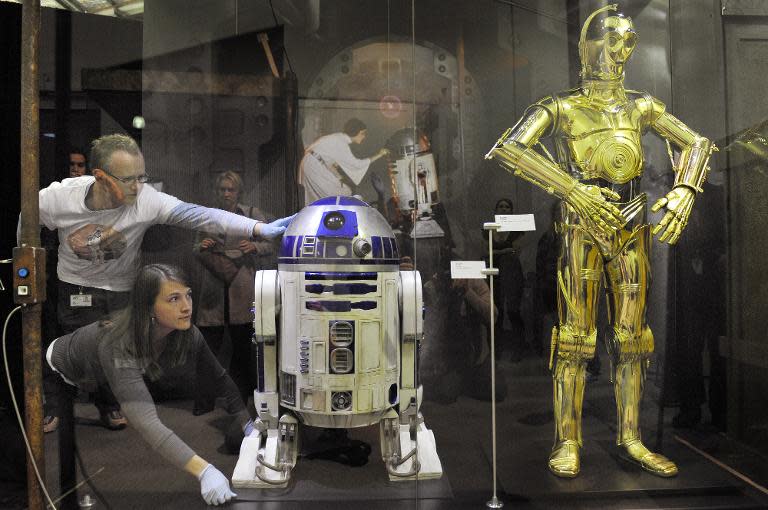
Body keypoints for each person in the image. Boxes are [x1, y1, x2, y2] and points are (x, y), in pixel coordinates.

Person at [486, 5, 715, 478]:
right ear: (587, 46)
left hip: (631, 224)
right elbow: (510, 146)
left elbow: (696, 143)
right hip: (580, 224)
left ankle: (631, 435)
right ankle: (567, 439)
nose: (620, 52)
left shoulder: (640, 105)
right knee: (573, 338)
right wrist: (572, 189)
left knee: (633, 339)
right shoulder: (562, 106)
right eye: (611, 40)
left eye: (628, 42)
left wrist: (684, 191)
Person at [34, 133, 292, 432]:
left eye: (141, 177)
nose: (137, 186)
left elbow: (200, 216)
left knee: (115, 354)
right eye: (128, 179)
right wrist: (27, 268)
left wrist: (259, 228)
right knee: (71, 355)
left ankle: (109, 407)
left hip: (120, 287)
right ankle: (57, 408)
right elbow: (26, 223)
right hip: (76, 285)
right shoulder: (56, 198)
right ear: (101, 177)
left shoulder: (145, 200)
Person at [45, 264, 247, 506]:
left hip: (98, 375)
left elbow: (221, 378)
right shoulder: (118, 341)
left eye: (188, 295)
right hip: (57, 368)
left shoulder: (187, 332)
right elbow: (146, 422)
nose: (186, 306)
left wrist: (248, 425)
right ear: (148, 306)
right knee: (60, 462)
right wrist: (204, 470)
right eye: (173, 298)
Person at [194, 170, 276, 407]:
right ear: (217, 192)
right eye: (223, 189)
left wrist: (253, 246)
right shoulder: (207, 217)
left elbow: (270, 243)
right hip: (214, 292)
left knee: (242, 350)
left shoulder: (251, 214)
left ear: (239, 192)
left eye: (231, 189)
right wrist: (203, 246)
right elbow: (194, 249)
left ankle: (239, 398)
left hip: (242, 288)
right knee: (208, 349)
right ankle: (204, 400)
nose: (227, 193)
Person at [298, 118, 389, 205]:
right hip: (313, 166)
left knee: (339, 192)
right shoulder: (341, 142)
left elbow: (329, 161)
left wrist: (338, 176)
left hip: (312, 164)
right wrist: (380, 154)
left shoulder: (339, 139)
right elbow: (357, 164)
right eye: (363, 133)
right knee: (341, 193)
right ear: (356, 132)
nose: (364, 137)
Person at [485, 198, 527, 361]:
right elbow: (484, 250)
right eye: (500, 206)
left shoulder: (517, 230)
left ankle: (519, 350)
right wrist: (507, 251)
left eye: (507, 206)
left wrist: (496, 252)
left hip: (512, 274)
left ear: (511, 211)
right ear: (495, 210)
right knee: (496, 313)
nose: (504, 209)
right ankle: (496, 352)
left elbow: (517, 251)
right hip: (494, 274)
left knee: (513, 312)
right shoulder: (488, 229)